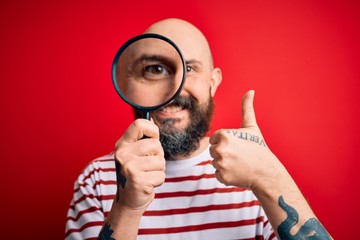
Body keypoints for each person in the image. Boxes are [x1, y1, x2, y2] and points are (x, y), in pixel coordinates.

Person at [65, 18, 332, 240]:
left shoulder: (255, 175)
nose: (175, 89)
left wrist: (269, 178)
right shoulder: (96, 181)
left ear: (213, 83)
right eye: (155, 69)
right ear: (128, 83)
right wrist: (127, 207)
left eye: (190, 68)